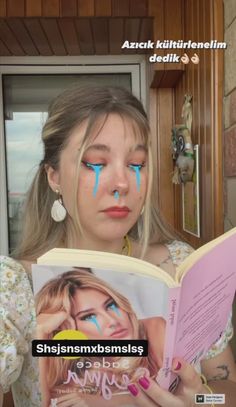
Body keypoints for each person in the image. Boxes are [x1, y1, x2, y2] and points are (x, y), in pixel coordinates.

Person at [0, 85, 235, 407]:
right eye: (95, 163)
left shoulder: (181, 264)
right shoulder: (15, 285)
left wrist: (206, 401)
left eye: (137, 164)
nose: (122, 183)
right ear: (54, 176)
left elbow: (226, 384)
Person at [35, 269, 165, 407]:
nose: (113, 321)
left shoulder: (153, 330)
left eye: (111, 305)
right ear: (66, 330)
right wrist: (40, 332)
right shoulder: (74, 379)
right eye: (89, 316)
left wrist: (109, 402)